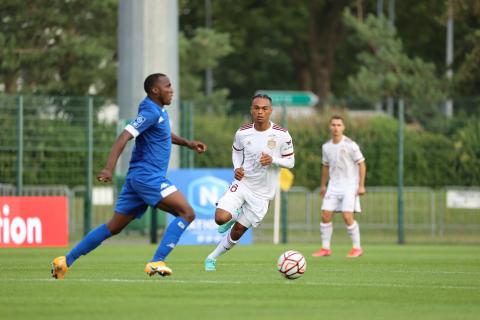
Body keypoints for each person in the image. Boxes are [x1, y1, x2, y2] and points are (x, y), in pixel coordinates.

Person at [51, 73, 207, 279]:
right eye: (168, 86)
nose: (172, 90)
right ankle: (157, 261)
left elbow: (163, 134)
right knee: (187, 213)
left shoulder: (157, 110)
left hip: (137, 178)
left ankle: (64, 261)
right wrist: (109, 168)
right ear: (155, 91)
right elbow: (124, 135)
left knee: (113, 226)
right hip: (148, 176)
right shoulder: (151, 111)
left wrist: (187, 143)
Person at [204, 93, 295, 271]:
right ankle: (236, 213)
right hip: (243, 183)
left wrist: (273, 160)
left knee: (238, 230)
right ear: (251, 110)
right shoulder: (242, 132)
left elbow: (290, 162)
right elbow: (236, 151)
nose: (260, 112)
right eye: (256, 108)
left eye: (264, 108)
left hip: (263, 193)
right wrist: (237, 167)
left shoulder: (282, 135)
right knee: (220, 218)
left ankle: (211, 258)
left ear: (271, 111)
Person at [312, 115, 366, 258]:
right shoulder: (326, 147)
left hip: (350, 185)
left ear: (343, 127)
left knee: (347, 216)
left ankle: (357, 248)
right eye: (333, 125)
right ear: (330, 127)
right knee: (325, 214)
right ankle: (325, 248)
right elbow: (325, 167)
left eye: (339, 125)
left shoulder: (351, 145)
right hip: (333, 186)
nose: (336, 128)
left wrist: (361, 185)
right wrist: (323, 186)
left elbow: (361, 164)